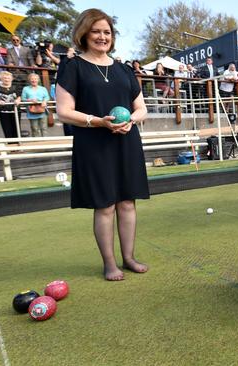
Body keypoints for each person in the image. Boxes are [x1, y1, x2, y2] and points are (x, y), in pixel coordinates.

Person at [55, 8, 150, 281]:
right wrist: (99, 121)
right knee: (105, 205)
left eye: (106, 32)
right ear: (84, 33)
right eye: (96, 31)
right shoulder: (73, 67)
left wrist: (131, 120)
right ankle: (109, 264)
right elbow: (64, 111)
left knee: (128, 202)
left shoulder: (123, 69)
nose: (102, 36)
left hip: (126, 139)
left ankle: (129, 257)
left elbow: (141, 108)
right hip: (94, 143)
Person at [21, 73, 50, 137]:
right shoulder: (25, 89)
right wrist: (30, 100)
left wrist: (45, 101)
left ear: (38, 80)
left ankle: (45, 142)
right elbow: (23, 99)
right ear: (29, 80)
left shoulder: (43, 88)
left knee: (44, 128)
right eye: (32, 79)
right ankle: (36, 142)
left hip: (42, 110)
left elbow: (47, 97)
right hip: (32, 111)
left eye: (35, 79)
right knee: (34, 128)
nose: (34, 80)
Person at [0, 71, 22, 138]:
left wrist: (18, 100)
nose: (6, 79)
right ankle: (11, 146)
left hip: (15, 111)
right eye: (4, 78)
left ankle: (18, 147)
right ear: (1, 79)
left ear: (11, 78)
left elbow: (19, 96)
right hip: (3, 112)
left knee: (17, 129)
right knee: (7, 130)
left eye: (8, 78)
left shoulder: (16, 86)